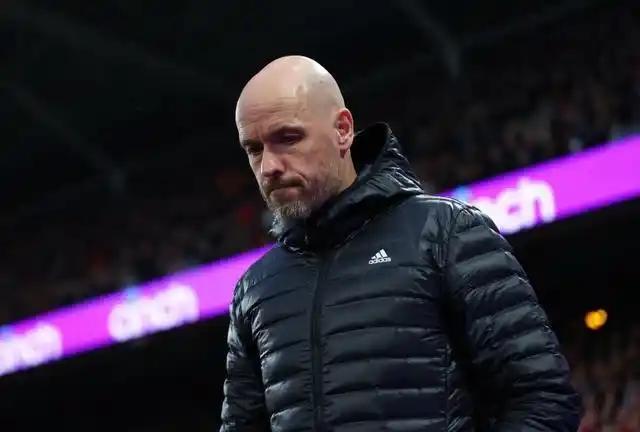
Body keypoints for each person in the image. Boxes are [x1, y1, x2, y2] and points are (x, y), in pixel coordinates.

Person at [220, 55, 581, 432]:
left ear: (343, 129)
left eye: (288, 138)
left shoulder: (447, 233)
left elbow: (543, 399)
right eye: (254, 149)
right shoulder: (254, 290)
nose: (269, 167)